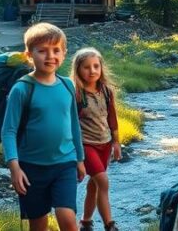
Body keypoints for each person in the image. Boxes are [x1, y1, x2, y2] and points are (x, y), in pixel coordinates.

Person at [1, 22, 86, 231]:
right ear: (29, 55)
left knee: (67, 219)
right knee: (38, 225)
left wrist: (80, 159)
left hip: (64, 163)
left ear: (64, 53)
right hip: (31, 168)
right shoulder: (22, 89)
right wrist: (14, 168)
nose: (50, 56)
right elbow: (8, 131)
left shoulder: (68, 85)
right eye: (42, 51)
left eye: (56, 50)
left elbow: (74, 124)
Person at [70, 47, 121, 231]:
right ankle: (110, 225)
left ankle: (85, 222)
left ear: (101, 68)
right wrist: (76, 156)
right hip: (86, 145)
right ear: (78, 70)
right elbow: (71, 124)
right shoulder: (76, 94)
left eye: (95, 66)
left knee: (94, 184)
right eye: (86, 67)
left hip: (105, 144)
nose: (92, 71)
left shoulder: (106, 91)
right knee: (103, 181)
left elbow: (112, 119)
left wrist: (116, 142)